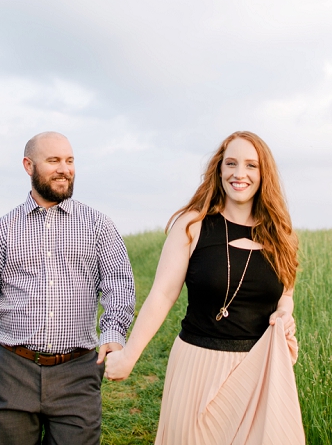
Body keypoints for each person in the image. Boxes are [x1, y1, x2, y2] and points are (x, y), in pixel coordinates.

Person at [104, 132, 305, 445]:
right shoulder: (192, 225)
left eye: (251, 165)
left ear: (263, 173)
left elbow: (286, 295)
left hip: (259, 370)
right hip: (198, 366)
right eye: (231, 163)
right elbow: (162, 294)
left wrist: (284, 313)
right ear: (219, 170)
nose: (240, 173)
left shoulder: (282, 234)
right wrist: (130, 356)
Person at [0, 131, 135, 445]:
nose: (64, 169)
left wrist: (113, 333)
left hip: (78, 374)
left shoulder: (99, 225)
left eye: (70, 161)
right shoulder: (1, 231)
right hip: (13, 373)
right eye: (53, 160)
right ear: (29, 166)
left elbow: (119, 283)